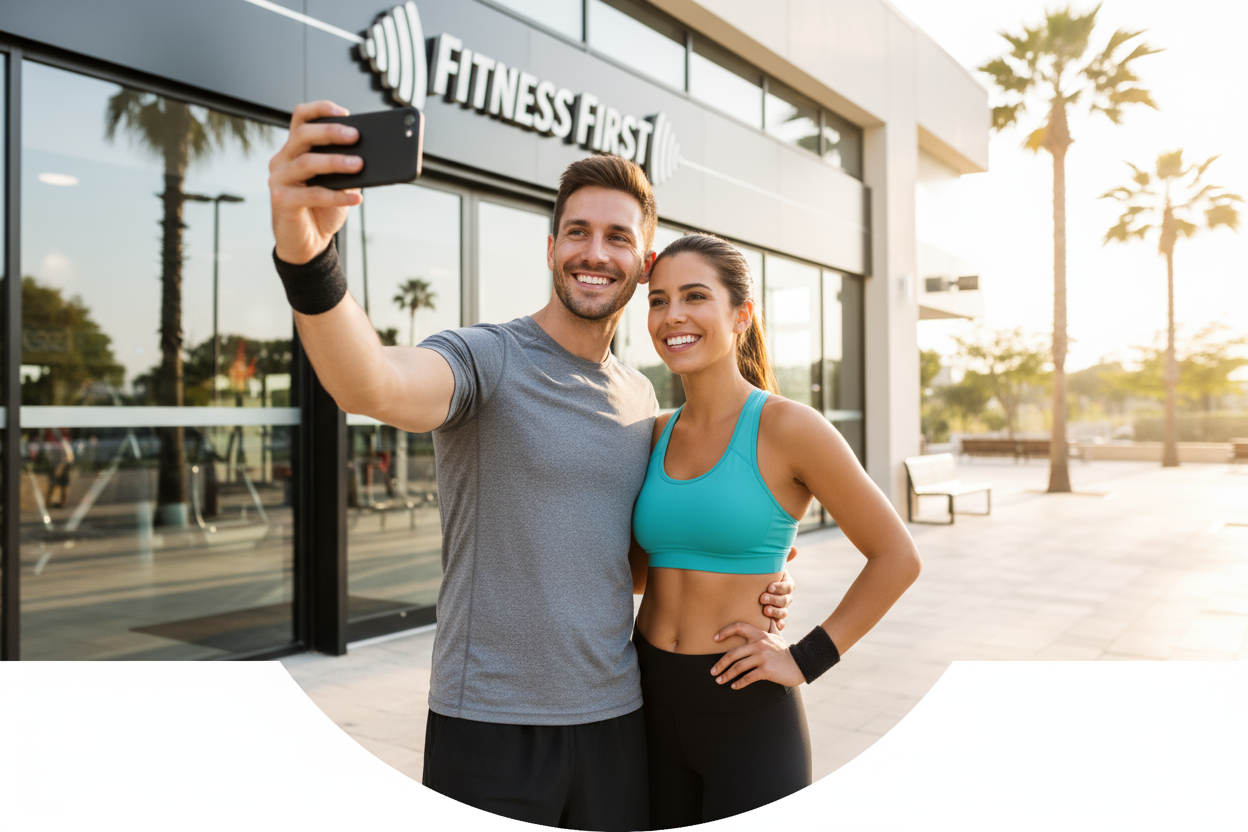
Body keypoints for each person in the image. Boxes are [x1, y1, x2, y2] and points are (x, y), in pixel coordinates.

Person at [267, 101, 795, 830]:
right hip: (489, 726)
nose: (594, 251)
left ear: (643, 267)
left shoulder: (640, 396)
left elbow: (628, 558)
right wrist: (306, 254)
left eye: (616, 237)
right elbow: (372, 383)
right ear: (550, 248)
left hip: (618, 717)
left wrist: (753, 575)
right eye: (576, 231)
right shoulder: (488, 358)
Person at [630, 233, 922, 828]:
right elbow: (642, 574)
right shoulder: (653, 432)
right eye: (658, 301)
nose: (673, 316)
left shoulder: (790, 427)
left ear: (741, 314)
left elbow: (896, 556)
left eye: (693, 296)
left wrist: (807, 657)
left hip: (747, 713)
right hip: (646, 696)